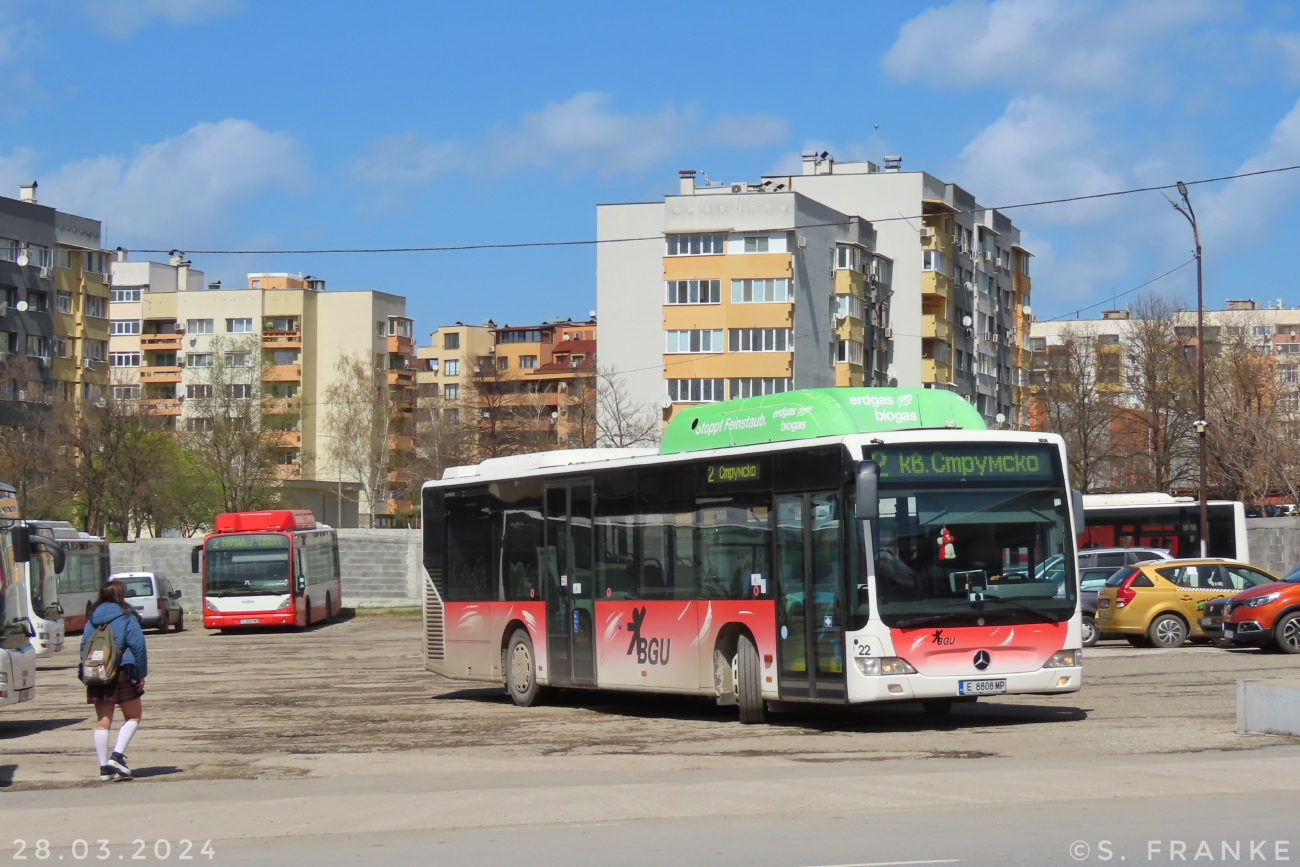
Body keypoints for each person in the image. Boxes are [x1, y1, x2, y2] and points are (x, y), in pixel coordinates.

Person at [81, 581, 148, 782]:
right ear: (121, 595)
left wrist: (85, 673)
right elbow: (138, 647)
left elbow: (84, 646)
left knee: (103, 722)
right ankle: (117, 757)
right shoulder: (127, 616)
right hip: (122, 671)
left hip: (98, 673)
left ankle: (104, 769)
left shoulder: (92, 618)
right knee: (133, 716)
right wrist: (141, 673)